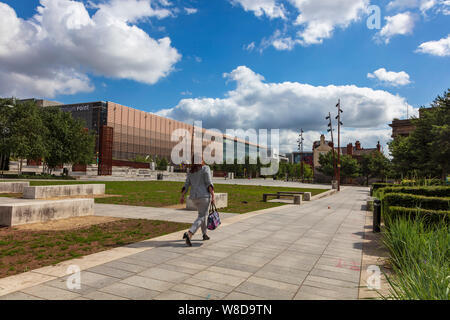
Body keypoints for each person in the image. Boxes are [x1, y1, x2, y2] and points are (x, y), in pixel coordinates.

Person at [180, 161, 215, 246]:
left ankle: (204, 234)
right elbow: (209, 183)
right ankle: (190, 233)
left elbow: (186, 184)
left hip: (194, 197)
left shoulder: (190, 171)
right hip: (204, 196)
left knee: (201, 214)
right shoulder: (206, 168)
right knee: (202, 216)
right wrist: (213, 195)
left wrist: (182, 196)